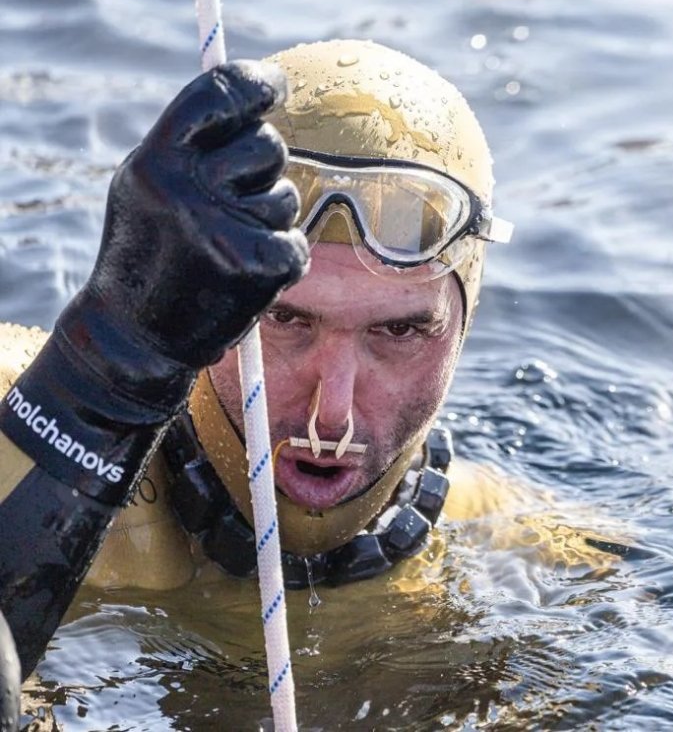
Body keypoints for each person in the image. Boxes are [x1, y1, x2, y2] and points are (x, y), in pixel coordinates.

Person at [0, 39, 520, 681]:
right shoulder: (21, 425)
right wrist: (108, 368)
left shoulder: (511, 547)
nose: (333, 415)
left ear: (462, 326)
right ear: (207, 295)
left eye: (399, 332)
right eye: (285, 319)